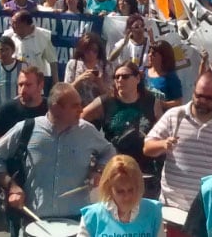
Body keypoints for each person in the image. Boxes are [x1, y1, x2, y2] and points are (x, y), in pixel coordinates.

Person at [0, 82, 116, 236]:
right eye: (75, 106)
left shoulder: (87, 131)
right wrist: (11, 186)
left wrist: (98, 170)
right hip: (34, 220)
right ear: (55, 107)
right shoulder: (27, 128)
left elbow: (109, 151)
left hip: (76, 220)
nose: (81, 110)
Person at [144, 72, 212, 211]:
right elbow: (147, 147)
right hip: (173, 207)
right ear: (193, 91)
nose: (203, 101)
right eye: (199, 95)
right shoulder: (174, 116)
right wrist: (163, 144)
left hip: (209, 208)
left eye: (209, 98)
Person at [81, 62, 163, 197]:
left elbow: (162, 131)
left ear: (137, 78)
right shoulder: (105, 102)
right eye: (116, 77)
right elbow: (79, 121)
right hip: (115, 169)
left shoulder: (151, 102)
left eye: (125, 76)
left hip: (145, 171)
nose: (119, 80)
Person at [0, 67, 49, 217]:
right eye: (20, 84)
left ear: (41, 85)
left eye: (28, 85)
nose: (23, 89)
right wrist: (3, 144)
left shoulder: (50, 109)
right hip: (10, 171)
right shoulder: (7, 109)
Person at [78, 155, 162, 237]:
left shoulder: (153, 211)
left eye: (131, 190)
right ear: (109, 189)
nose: (127, 197)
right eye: (120, 191)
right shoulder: (91, 216)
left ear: (138, 186)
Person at [3, 10, 59, 90]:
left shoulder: (43, 37)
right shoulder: (8, 36)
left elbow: (52, 61)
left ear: (25, 23)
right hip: (13, 83)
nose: (11, 25)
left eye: (15, 22)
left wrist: (55, 83)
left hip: (36, 84)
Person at [64, 33, 112, 106]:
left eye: (94, 51)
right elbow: (66, 92)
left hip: (99, 109)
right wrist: (79, 79)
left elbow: (111, 95)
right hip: (77, 107)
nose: (91, 53)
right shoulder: (73, 64)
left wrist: (100, 83)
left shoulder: (106, 66)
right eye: (87, 50)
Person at [146, 40, 183, 108]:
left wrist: (163, 104)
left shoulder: (171, 78)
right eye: (149, 52)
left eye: (153, 53)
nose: (150, 55)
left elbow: (179, 102)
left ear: (163, 56)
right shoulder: (144, 72)